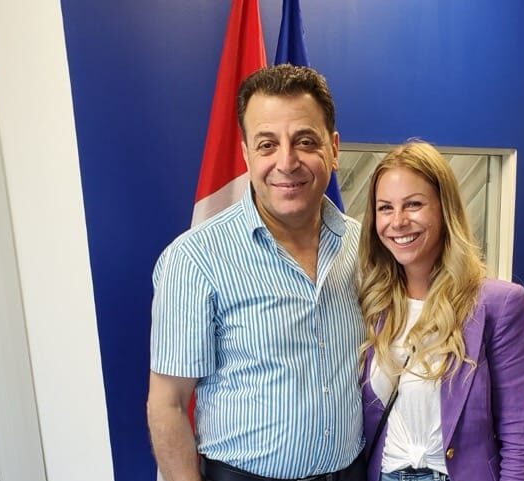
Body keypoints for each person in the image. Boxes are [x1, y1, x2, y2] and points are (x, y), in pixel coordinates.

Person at [147, 65, 365, 481]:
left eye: (305, 141)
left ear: (333, 149)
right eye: (267, 144)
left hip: (351, 471)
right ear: (246, 154)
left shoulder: (364, 246)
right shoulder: (194, 259)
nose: (287, 162)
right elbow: (168, 404)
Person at [358, 141, 524, 481]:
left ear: (445, 209)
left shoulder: (498, 304)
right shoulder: (373, 303)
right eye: (385, 208)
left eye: (413, 204)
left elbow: (519, 435)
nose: (398, 221)